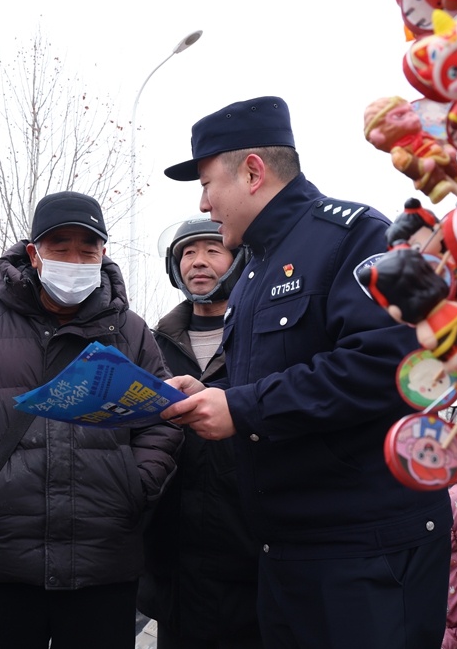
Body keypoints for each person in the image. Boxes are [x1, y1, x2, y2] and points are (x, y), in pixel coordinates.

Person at [160, 97, 452, 649]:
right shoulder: (251, 273)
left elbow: (391, 362)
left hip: (365, 552)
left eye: (206, 183)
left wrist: (241, 408)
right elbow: (283, 376)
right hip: (286, 551)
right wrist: (214, 395)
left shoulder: (355, 236)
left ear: (252, 172)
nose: (203, 202)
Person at [0, 191, 183, 649]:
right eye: (60, 247)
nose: (75, 258)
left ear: (103, 254)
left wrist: (136, 482)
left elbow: (162, 417)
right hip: (5, 560)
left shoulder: (132, 331)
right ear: (35, 254)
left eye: (88, 248)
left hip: (105, 562)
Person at [138, 217, 262, 649]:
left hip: (252, 553)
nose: (198, 262)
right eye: (187, 253)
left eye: (212, 249)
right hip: (174, 557)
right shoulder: (150, 345)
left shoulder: (263, 335)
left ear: (238, 257)